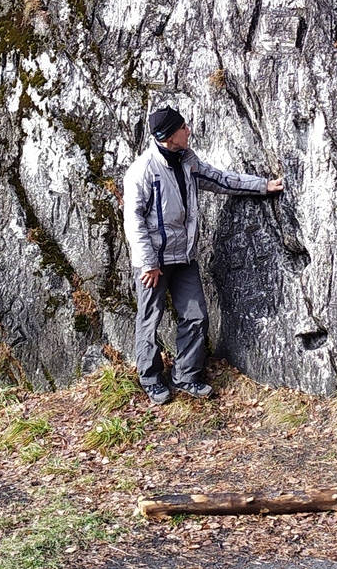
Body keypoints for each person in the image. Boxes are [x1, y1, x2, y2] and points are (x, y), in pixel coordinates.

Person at [121, 106, 284, 405]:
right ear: (169, 136)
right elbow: (133, 222)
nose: (189, 130)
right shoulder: (142, 172)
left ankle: (185, 376)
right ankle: (151, 379)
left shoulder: (188, 161)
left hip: (183, 258)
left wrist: (262, 186)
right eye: (183, 127)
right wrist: (149, 263)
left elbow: (221, 179)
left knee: (196, 316)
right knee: (149, 320)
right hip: (153, 264)